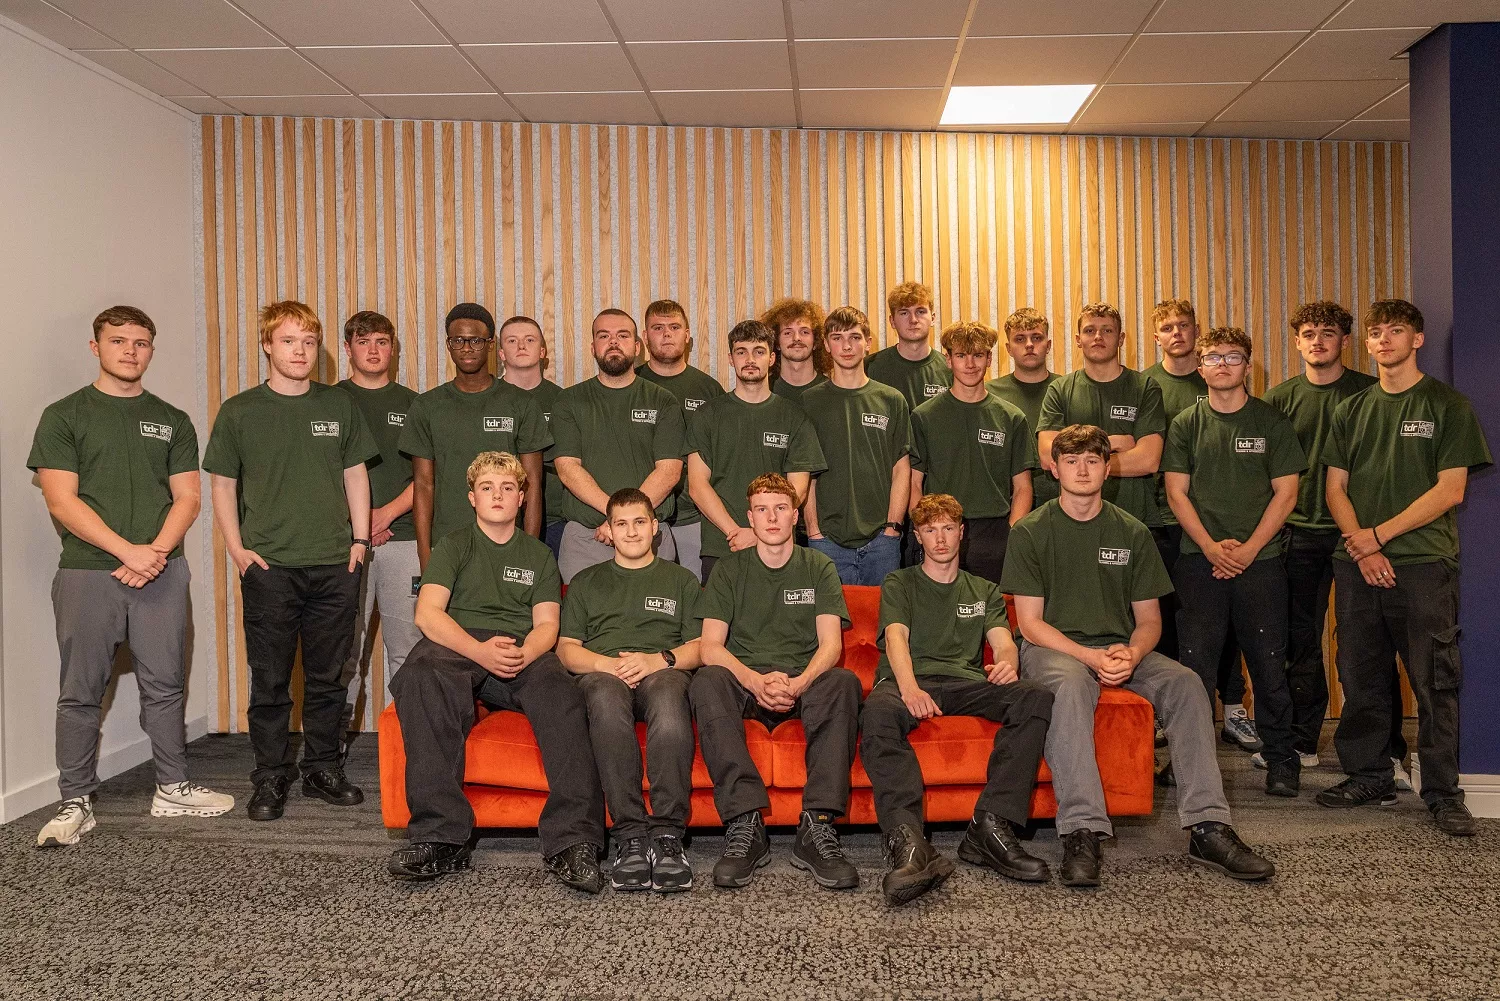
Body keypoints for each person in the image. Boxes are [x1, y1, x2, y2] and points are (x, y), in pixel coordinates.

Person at [1004, 424, 1275, 886]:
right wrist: (1089, 658)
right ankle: (1081, 831)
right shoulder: (1031, 531)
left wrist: (1132, 653)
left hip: (1118, 645)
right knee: (1070, 687)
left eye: (1093, 461)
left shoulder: (1131, 532)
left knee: (1186, 683)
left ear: (1108, 469)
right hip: (1054, 647)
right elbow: (1030, 624)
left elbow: (1149, 621)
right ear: (1055, 469)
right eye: (1072, 461)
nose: (1083, 470)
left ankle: (1208, 826)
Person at [30, 306, 233, 848]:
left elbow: (188, 497)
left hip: (162, 571)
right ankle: (75, 800)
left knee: (165, 685)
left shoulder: (172, 419)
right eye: (118, 341)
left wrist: (156, 553)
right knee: (80, 691)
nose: (130, 351)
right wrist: (129, 552)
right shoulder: (64, 415)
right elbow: (61, 500)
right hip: (88, 572)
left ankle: (172, 787)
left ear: (151, 350)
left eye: (140, 343)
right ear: (95, 347)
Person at [387, 451, 606, 886]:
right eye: (487, 487)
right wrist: (478, 651)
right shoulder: (453, 545)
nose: (498, 495)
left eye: (508, 487)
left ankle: (573, 841)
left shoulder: (538, 555)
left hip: (519, 647)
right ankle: (440, 838)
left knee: (563, 691)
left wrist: (524, 654)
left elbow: (547, 625)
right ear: (472, 497)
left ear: (522, 497)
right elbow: (428, 615)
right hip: (458, 643)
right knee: (420, 675)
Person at [1319, 300, 1492, 837]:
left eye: (1396, 331)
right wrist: (1364, 549)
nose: (1384, 340)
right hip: (1357, 564)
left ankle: (1442, 792)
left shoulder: (1447, 404)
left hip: (1423, 563)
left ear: (1417, 340)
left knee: (1434, 679)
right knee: (1360, 674)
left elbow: (1451, 490)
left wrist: (1380, 537)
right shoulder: (1352, 409)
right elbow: (1335, 487)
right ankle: (1370, 775)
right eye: (1376, 332)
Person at [202, 300, 378, 821]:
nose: (300, 351)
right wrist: (237, 550)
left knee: (329, 677)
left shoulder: (338, 405)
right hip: (269, 568)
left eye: (308, 342)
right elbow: (223, 485)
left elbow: (355, 475)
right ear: (267, 345)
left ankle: (322, 768)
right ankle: (271, 775)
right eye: (288, 341)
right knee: (271, 679)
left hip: (335, 564)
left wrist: (360, 541)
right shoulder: (240, 411)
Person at [860, 494, 1054, 905]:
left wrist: (1007, 664)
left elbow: (1003, 641)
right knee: (877, 711)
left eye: (948, 528)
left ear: (962, 533)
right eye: (930, 530)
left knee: (1034, 697)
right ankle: (909, 843)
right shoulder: (900, 582)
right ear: (918, 537)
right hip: (908, 679)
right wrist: (910, 688)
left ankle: (991, 825)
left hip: (965, 682)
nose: (940, 538)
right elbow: (896, 637)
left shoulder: (984, 589)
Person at [690, 473, 861, 891]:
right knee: (707, 680)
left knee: (843, 682)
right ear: (749, 518)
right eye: (762, 510)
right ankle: (745, 823)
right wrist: (754, 681)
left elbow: (831, 645)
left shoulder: (818, 566)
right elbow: (710, 647)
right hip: (745, 683)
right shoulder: (729, 569)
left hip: (802, 684)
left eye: (781, 508)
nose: (771, 517)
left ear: (795, 516)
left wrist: (799, 683)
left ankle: (817, 825)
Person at [1263, 301, 1407, 780]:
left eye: (1328, 333)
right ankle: (1303, 740)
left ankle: (1387, 747)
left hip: (1359, 537)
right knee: (1299, 639)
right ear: (1297, 342)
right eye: (1309, 333)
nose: (1318, 341)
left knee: (1367, 643)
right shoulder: (1279, 399)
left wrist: (1370, 535)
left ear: (1345, 341)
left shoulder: (1369, 392)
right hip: (1299, 533)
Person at [1162, 327, 1306, 796]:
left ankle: (1282, 761)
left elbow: (1286, 494)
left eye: (1232, 357)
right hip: (1198, 561)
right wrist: (1209, 546)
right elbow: (1176, 493)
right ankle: (1189, 763)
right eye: (1212, 357)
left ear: (1247, 365)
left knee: (1269, 666)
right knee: (1194, 671)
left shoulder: (1270, 421)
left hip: (1261, 563)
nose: (1222, 364)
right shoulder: (1185, 423)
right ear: (1200, 367)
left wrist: (1248, 549)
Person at [557, 488, 703, 892]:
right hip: (603, 673)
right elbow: (566, 650)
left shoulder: (682, 580)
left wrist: (658, 660)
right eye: (621, 523)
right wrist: (607, 665)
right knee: (604, 699)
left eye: (640, 522)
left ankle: (668, 835)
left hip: (663, 671)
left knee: (670, 702)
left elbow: (700, 646)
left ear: (655, 527)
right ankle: (631, 837)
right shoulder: (585, 582)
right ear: (609, 529)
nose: (632, 531)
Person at [1143, 300, 1253, 751]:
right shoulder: (1147, 385)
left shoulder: (1216, 377)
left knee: (1228, 625)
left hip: (1218, 528)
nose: (1176, 334)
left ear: (1196, 332)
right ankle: (1169, 713)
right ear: (1156, 336)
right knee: (1171, 624)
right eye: (1167, 327)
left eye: (1184, 326)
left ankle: (1235, 708)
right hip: (1162, 520)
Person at [400, 303, 549, 570]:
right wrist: (424, 554)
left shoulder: (521, 403)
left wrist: (529, 550)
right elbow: (423, 485)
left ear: (490, 345)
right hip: (447, 544)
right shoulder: (426, 406)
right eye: (458, 340)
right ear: (449, 345)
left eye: (476, 341)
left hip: (508, 543)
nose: (467, 348)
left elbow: (533, 483)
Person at [688, 319, 826, 584]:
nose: (750, 359)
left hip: (779, 549)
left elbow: (798, 489)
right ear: (731, 359)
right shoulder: (707, 415)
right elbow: (697, 485)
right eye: (741, 352)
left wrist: (758, 534)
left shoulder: (794, 417)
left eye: (759, 351)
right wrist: (735, 532)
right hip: (723, 546)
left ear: (772, 358)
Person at [552, 309, 686, 582]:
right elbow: (567, 469)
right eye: (604, 336)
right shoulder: (569, 401)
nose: (613, 341)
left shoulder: (663, 400)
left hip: (650, 538)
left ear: (637, 347)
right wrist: (617, 518)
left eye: (622, 335)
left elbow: (669, 471)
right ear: (593, 347)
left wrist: (625, 521)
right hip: (588, 539)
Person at [335, 311, 418, 734]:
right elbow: (319, 473)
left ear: (393, 349)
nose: (373, 350)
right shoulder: (328, 401)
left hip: (404, 539)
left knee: (408, 650)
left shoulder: (415, 404)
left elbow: (429, 475)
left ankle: (406, 745)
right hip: (343, 544)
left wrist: (385, 514)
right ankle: (333, 749)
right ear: (347, 348)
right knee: (344, 652)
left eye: (381, 342)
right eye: (363, 341)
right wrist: (359, 525)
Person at [909, 320, 1036, 583]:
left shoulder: (1011, 417)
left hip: (994, 532)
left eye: (978, 355)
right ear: (948, 360)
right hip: (941, 529)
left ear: (989, 359)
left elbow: (1023, 487)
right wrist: (926, 529)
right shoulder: (924, 416)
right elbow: (914, 483)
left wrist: (1011, 533)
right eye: (961, 356)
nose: (970, 364)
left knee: (991, 607)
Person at [800, 307, 912, 585]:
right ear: (826, 345)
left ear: (868, 343)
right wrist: (813, 530)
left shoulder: (891, 400)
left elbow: (901, 469)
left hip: (882, 542)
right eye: (837, 338)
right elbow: (805, 473)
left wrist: (893, 528)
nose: (847, 346)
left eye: (855, 337)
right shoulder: (809, 402)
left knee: (884, 613)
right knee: (830, 615)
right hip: (826, 541)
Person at [1038, 303, 1166, 541]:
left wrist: (1074, 461)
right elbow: (1048, 456)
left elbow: (1148, 460)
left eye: (1107, 330)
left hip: (1134, 517)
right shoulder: (1060, 390)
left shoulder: (1145, 387)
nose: (1098, 336)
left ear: (1121, 339)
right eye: (1090, 330)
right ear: (1078, 340)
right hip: (1073, 519)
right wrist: (1114, 442)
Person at [635, 298, 727, 580]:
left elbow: (722, 456)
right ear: (645, 337)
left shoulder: (709, 389)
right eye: (658, 328)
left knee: (694, 595)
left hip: (695, 517)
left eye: (674, 327)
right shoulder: (630, 383)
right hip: (643, 517)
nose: (666, 334)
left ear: (687, 336)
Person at [498, 315, 566, 557]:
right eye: (512, 340)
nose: (521, 345)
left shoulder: (564, 401)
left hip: (557, 519)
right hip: (501, 520)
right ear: (501, 354)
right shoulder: (489, 399)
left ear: (542, 351)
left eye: (529, 340)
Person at [988, 307, 1059, 507]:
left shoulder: (1066, 390)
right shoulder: (989, 393)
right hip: (1007, 503)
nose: (1029, 345)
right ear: (1008, 348)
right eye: (1020, 339)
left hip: (1061, 501)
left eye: (1036, 338)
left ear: (1048, 345)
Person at [867, 281, 952, 410]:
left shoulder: (951, 369)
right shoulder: (870, 367)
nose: (913, 320)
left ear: (933, 318)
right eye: (904, 313)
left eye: (920, 312)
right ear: (892, 321)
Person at [765, 298, 830, 403]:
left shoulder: (831, 392)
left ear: (816, 341)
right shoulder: (763, 390)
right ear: (777, 342)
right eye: (788, 333)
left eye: (804, 332)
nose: (796, 338)